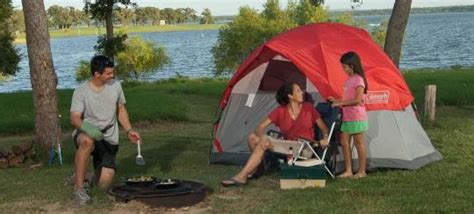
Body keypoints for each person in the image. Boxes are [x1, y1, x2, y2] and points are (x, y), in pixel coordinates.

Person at [221, 82, 329, 187]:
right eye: (298, 91)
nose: (302, 92)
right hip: (287, 146)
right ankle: (256, 168)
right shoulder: (280, 111)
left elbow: (324, 128)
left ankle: (243, 176)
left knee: (262, 142)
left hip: (304, 148)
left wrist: (325, 138)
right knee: (252, 137)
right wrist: (263, 137)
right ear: (290, 96)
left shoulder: (308, 108)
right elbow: (260, 127)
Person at [70, 55, 141, 205]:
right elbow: (75, 118)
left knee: (103, 186)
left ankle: (84, 176)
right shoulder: (81, 91)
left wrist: (129, 131)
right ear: (97, 74)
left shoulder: (115, 86)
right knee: (87, 142)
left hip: (109, 137)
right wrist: (89, 129)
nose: (112, 75)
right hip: (87, 132)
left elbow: (120, 109)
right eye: (108, 73)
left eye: (112, 72)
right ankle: (79, 189)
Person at [329, 51, 369, 179]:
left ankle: (362, 172)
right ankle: (349, 170)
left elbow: (357, 100)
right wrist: (336, 100)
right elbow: (346, 98)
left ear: (352, 66)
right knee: (344, 142)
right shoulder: (348, 81)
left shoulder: (358, 79)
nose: (343, 69)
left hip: (356, 116)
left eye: (344, 67)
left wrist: (340, 103)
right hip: (347, 117)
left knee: (358, 143)